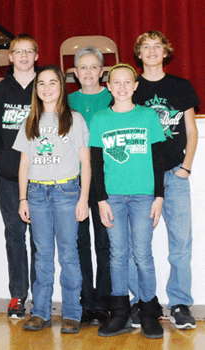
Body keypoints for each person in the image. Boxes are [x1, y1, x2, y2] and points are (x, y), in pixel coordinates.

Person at [89, 63, 166, 339]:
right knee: (117, 255)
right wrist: (101, 200)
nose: (121, 87)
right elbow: (96, 164)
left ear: (135, 86)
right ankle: (120, 312)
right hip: (113, 198)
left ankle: (148, 312)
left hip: (144, 196)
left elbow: (158, 159)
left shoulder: (148, 117)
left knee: (143, 255)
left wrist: (159, 196)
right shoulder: (99, 119)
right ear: (108, 86)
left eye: (127, 83)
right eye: (115, 82)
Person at [131, 30, 200, 330]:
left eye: (157, 46)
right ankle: (144, 301)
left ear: (166, 51)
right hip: (142, 178)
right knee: (137, 245)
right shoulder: (130, 87)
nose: (152, 51)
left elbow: (191, 130)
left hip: (175, 174)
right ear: (139, 53)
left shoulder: (181, 86)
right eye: (146, 47)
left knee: (181, 242)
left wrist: (185, 167)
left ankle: (180, 303)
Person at [15, 65, 90, 334]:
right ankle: (40, 312)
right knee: (43, 256)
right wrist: (23, 199)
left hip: (66, 193)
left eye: (52, 83)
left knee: (69, 255)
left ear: (61, 87)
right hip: (36, 194)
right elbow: (24, 164)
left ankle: (71, 313)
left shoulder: (75, 119)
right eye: (41, 84)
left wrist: (84, 198)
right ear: (36, 90)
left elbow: (85, 163)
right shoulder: (30, 121)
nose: (47, 88)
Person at [0, 33, 38, 319]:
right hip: (9, 177)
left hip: (43, 176)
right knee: (14, 236)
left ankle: (40, 298)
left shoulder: (46, 86)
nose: (23, 56)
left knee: (39, 239)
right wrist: (1, 163)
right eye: (18, 51)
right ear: (10, 56)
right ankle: (18, 295)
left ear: (36, 56)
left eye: (29, 51)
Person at [68, 46, 112, 325]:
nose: (88, 72)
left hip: (107, 181)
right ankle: (86, 300)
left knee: (106, 245)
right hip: (74, 182)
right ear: (74, 72)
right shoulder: (66, 99)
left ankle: (104, 302)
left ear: (102, 71)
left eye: (93, 66)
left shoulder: (114, 96)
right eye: (82, 67)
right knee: (80, 243)